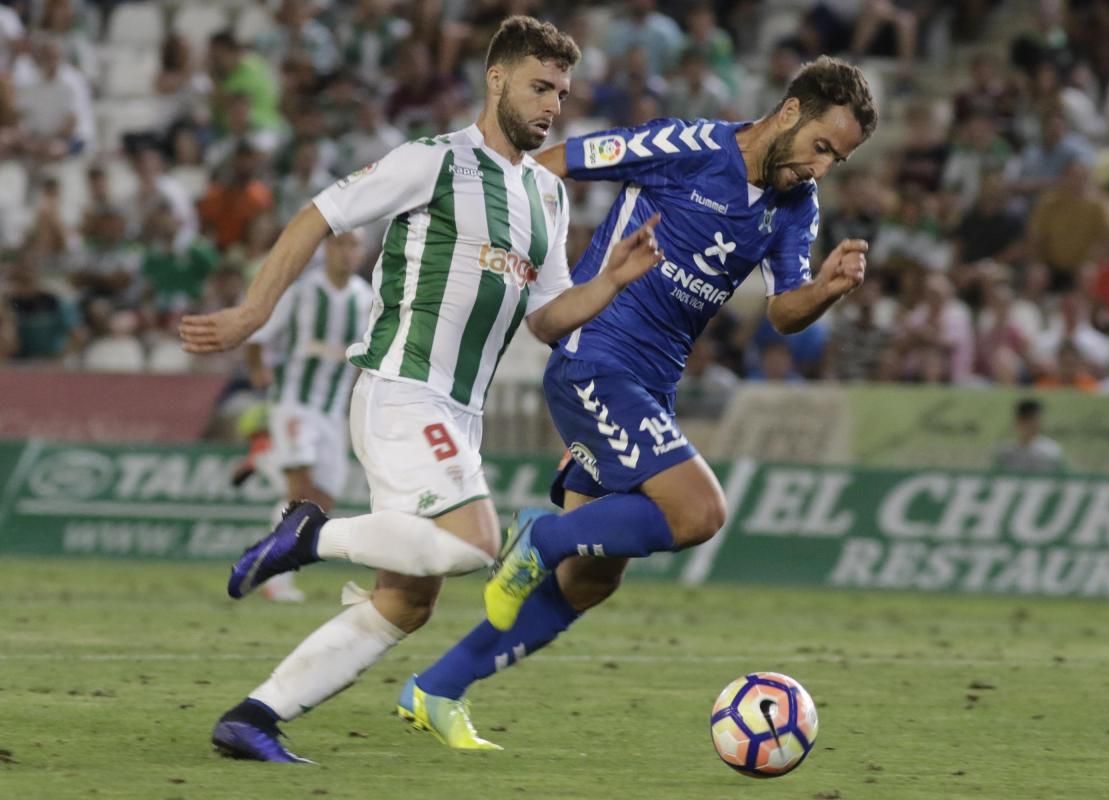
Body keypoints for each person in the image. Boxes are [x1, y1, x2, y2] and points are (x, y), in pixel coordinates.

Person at [178, 17, 665, 763]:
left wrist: (611, 283)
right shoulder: (434, 161)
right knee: (476, 545)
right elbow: (319, 214)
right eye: (539, 87)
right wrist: (254, 311)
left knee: (407, 599)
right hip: (402, 389)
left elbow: (546, 319)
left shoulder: (547, 194)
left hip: (456, 413)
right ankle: (309, 535)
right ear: (495, 80)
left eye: (561, 94)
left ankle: (253, 717)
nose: (552, 107)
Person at [404, 55, 877, 748]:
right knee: (699, 512)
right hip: (595, 359)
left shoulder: (795, 205)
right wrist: (517, 262)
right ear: (788, 114)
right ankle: (538, 535)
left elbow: (782, 311)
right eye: (822, 147)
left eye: (839, 159)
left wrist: (828, 289)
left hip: (650, 385)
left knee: (591, 579)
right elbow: (554, 163)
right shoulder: (687, 147)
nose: (822, 168)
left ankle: (436, 687)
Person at [245, 229, 373, 602]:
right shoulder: (301, 292)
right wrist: (258, 370)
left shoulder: (365, 299)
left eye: (354, 245)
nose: (347, 253)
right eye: (341, 244)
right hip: (294, 402)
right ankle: (276, 581)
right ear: (327, 248)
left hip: (333, 412)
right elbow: (259, 333)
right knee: (299, 495)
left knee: (321, 504)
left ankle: (267, 460)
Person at [992, 398, 1066, 473]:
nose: (1030, 424)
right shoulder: (1005, 452)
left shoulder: (1052, 451)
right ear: (1018, 421)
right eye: (1026, 419)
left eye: (1034, 419)